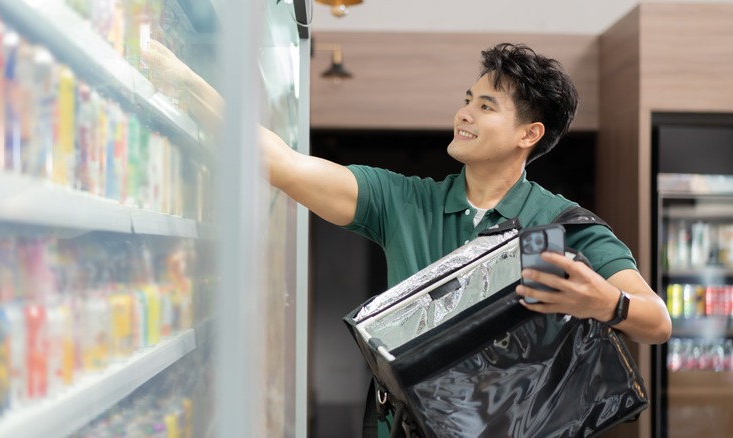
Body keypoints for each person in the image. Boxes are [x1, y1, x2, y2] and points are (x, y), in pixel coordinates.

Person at [144, 41, 672, 435]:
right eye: (468, 99)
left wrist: (608, 301)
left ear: (528, 135)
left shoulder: (565, 226)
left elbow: (657, 321)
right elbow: (280, 164)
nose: (463, 113)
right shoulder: (402, 201)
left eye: (486, 106)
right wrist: (175, 77)